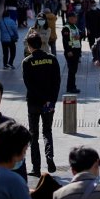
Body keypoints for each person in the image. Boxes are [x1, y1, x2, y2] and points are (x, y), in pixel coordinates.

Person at [21, 33, 61, 176]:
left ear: (29, 46)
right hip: (48, 103)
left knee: (34, 135)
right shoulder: (52, 59)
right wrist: (51, 100)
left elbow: (29, 85)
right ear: (42, 43)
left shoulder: (27, 62)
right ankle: (49, 157)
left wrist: (41, 98)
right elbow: (57, 82)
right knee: (47, 131)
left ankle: (36, 168)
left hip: (33, 102)